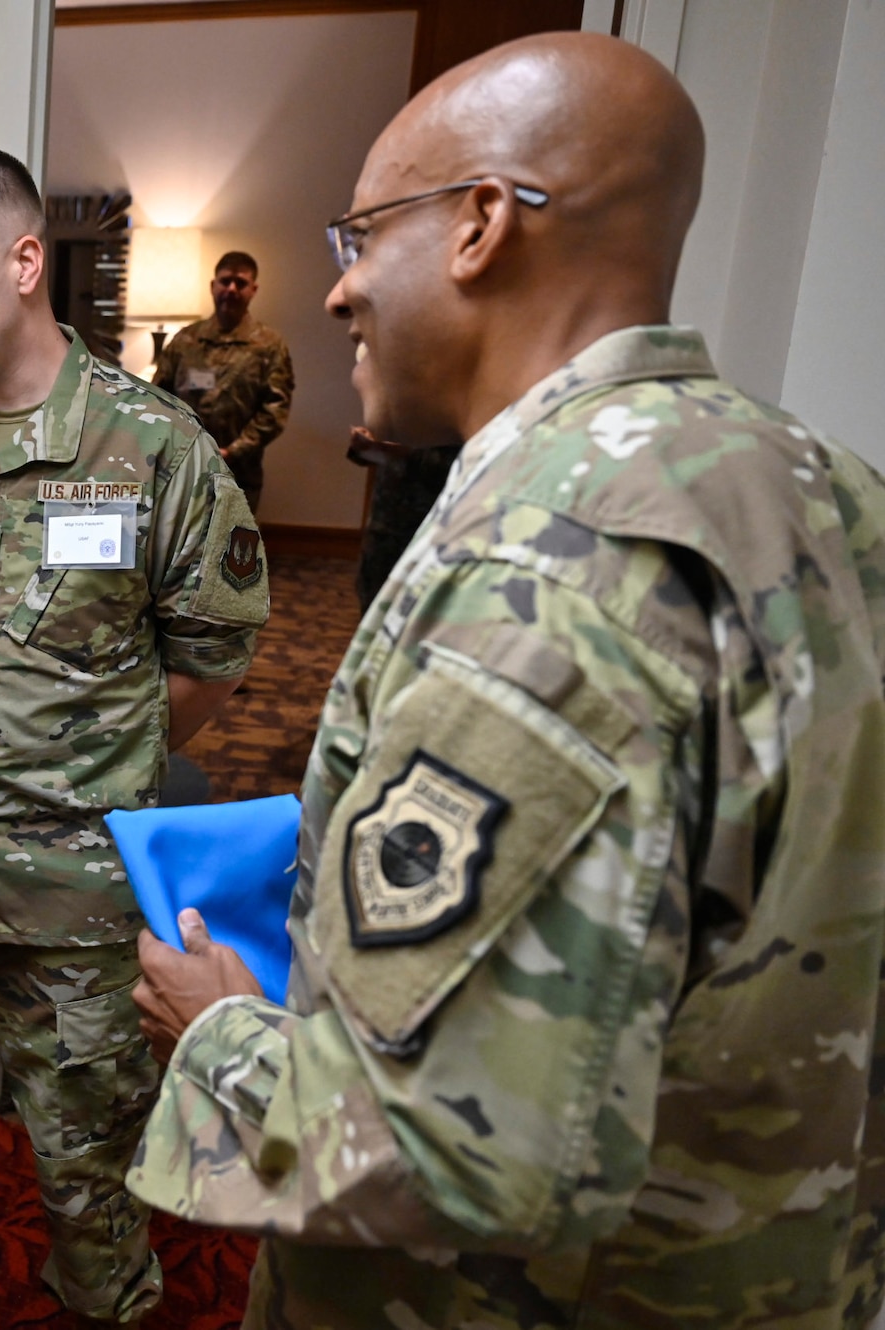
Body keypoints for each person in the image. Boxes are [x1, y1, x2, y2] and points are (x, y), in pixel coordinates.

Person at [128, 31, 885, 1329]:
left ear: (482, 225)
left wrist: (221, 1032)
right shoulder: (822, 487)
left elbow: (452, 1151)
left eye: (362, 234)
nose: (337, 291)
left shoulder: (552, 563)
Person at [0, 146, 269, 1330]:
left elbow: (209, 656)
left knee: (86, 1137)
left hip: (72, 884)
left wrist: (82, 758)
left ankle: (104, 1302)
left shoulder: (154, 449)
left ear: (24, 261)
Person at [151, 252, 294, 514]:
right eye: (225, 281)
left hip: (239, 472)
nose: (231, 289)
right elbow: (159, 397)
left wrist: (232, 451)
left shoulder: (269, 346)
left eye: (240, 283)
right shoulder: (185, 340)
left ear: (253, 290)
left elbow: (275, 409)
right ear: (212, 286)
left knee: (234, 548)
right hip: (183, 466)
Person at [347, 425, 461, 609]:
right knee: (372, 603)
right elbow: (379, 456)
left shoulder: (464, 414)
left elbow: (463, 464)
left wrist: (408, 456)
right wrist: (366, 445)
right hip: (384, 525)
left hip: (429, 531)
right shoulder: (404, 408)